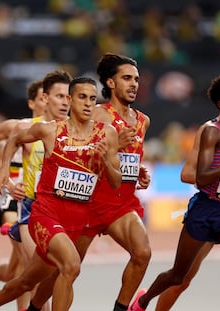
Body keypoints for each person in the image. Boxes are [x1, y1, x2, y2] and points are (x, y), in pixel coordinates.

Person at [0, 76, 122, 311]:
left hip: (77, 220)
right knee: (71, 266)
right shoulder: (50, 130)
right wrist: (3, 170)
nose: (87, 104)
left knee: (29, 279)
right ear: (71, 99)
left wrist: (106, 161)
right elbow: (14, 138)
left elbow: (116, 183)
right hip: (45, 213)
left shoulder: (107, 133)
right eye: (82, 97)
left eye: (92, 99)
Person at [129, 69, 220, 311]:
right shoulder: (210, 130)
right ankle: (144, 304)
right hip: (209, 209)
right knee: (181, 279)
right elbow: (188, 174)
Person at [80, 53, 151, 311]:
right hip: (88, 201)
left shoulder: (143, 121)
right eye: (127, 78)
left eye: (136, 79)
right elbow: (80, 158)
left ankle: (121, 308)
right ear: (111, 83)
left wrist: (138, 171)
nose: (134, 84)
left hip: (121, 203)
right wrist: (114, 145)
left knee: (142, 253)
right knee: (65, 268)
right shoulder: (98, 115)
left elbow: (130, 158)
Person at [0, 79, 46, 310]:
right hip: (13, 197)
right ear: (32, 102)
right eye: (44, 97)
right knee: (29, 266)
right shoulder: (16, 127)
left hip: (38, 199)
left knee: (16, 270)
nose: (50, 102)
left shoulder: (57, 130)